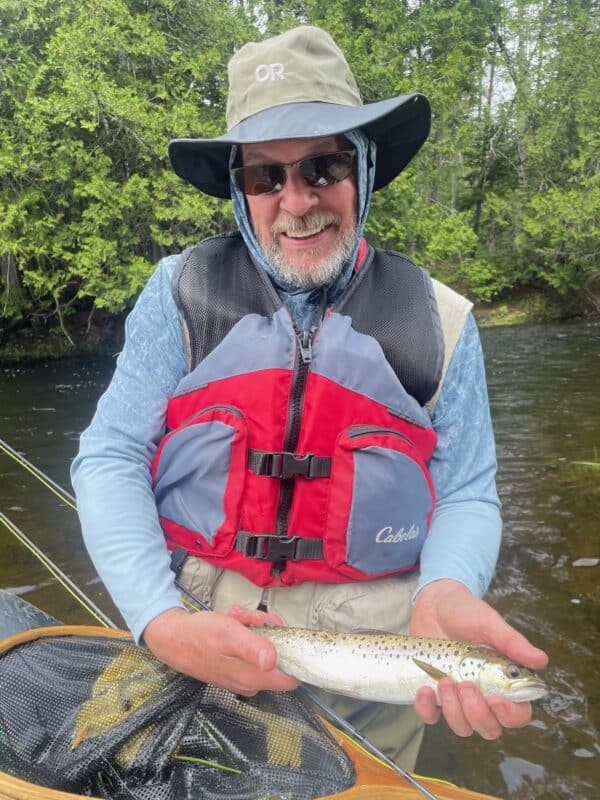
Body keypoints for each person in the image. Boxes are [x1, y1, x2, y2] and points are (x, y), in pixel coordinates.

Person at [71, 25, 548, 770]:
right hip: (193, 628)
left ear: (363, 167)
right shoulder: (178, 296)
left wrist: (448, 588)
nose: (296, 202)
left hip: (373, 662)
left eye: (324, 166)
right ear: (239, 189)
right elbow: (110, 456)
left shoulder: (442, 321)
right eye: (266, 176)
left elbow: (466, 492)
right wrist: (158, 620)